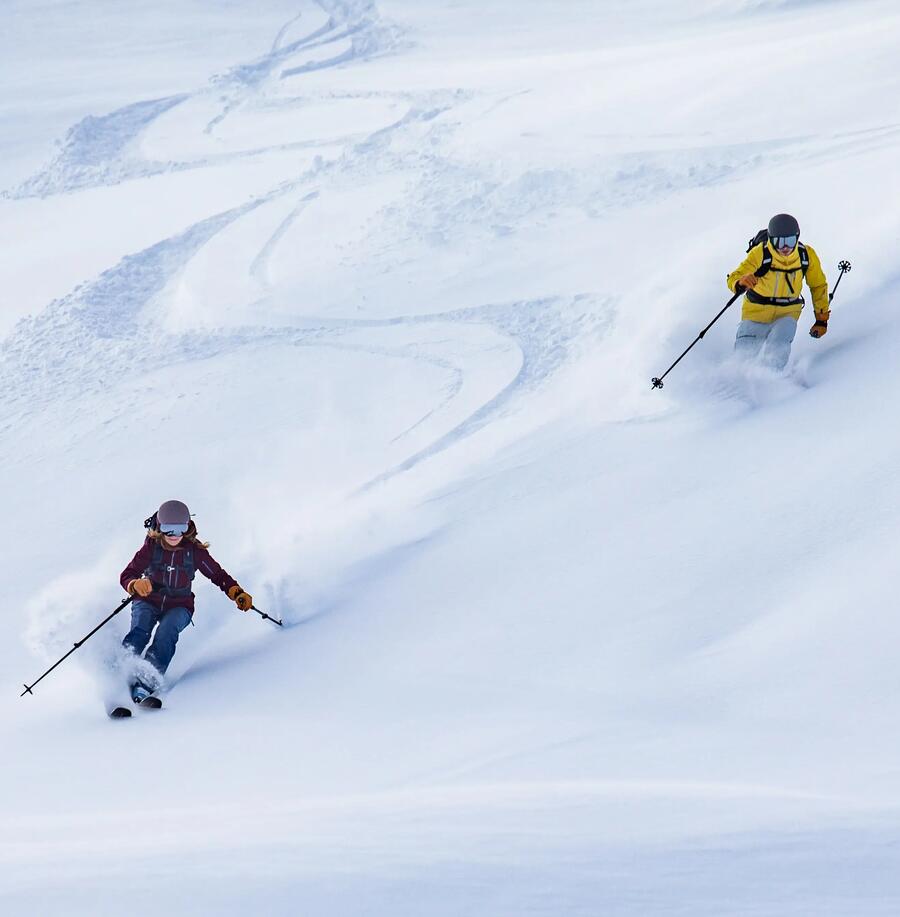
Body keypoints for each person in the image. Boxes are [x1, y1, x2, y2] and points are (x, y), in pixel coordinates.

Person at [119, 499, 252, 702]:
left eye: (180, 529)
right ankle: (120, 674)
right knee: (139, 630)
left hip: (180, 605)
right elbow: (128, 574)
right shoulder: (151, 548)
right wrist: (135, 584)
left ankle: (145, 681)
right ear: (159, 527)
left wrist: (236, 591)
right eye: (169, 529)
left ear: (188, 526)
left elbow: (217, 575)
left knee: (166, 632)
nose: (175, 536)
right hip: (148, 599)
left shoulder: (194, 552)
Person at [727, 213, 830, 371]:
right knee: (744, 355)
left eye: (789, 241)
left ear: (797, 238)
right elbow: (734, 276)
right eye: (778, 242)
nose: (785, 248)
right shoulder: (760, 253)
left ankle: (771, 381)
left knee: (778, 347)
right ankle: (735, 383)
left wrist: (821, 319)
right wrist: (740, 282)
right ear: (770, 239)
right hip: (755, 311)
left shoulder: (806, 255)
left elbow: (818, 286)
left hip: (787, 313)